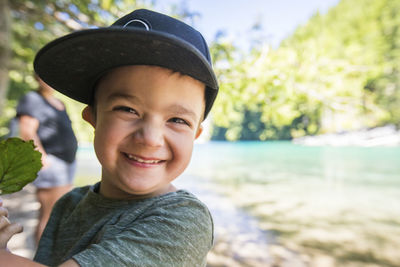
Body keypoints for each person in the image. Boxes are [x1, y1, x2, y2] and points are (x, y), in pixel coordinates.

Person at [0, 8, 218, 267]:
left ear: (196, 134)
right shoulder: (68, 205)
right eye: (127, 109)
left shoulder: (184, 220)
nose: (150, 138)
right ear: (92, 118)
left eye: (178, 120)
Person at [16, 75, 78, 243]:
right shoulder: (32, 99)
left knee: (61, 214)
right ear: (37, 78)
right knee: (49, 215)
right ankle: (41, 259)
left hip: (67, 163)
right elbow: (27, 131)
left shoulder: (59, 103)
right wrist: (41, 158)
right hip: (52, 163)